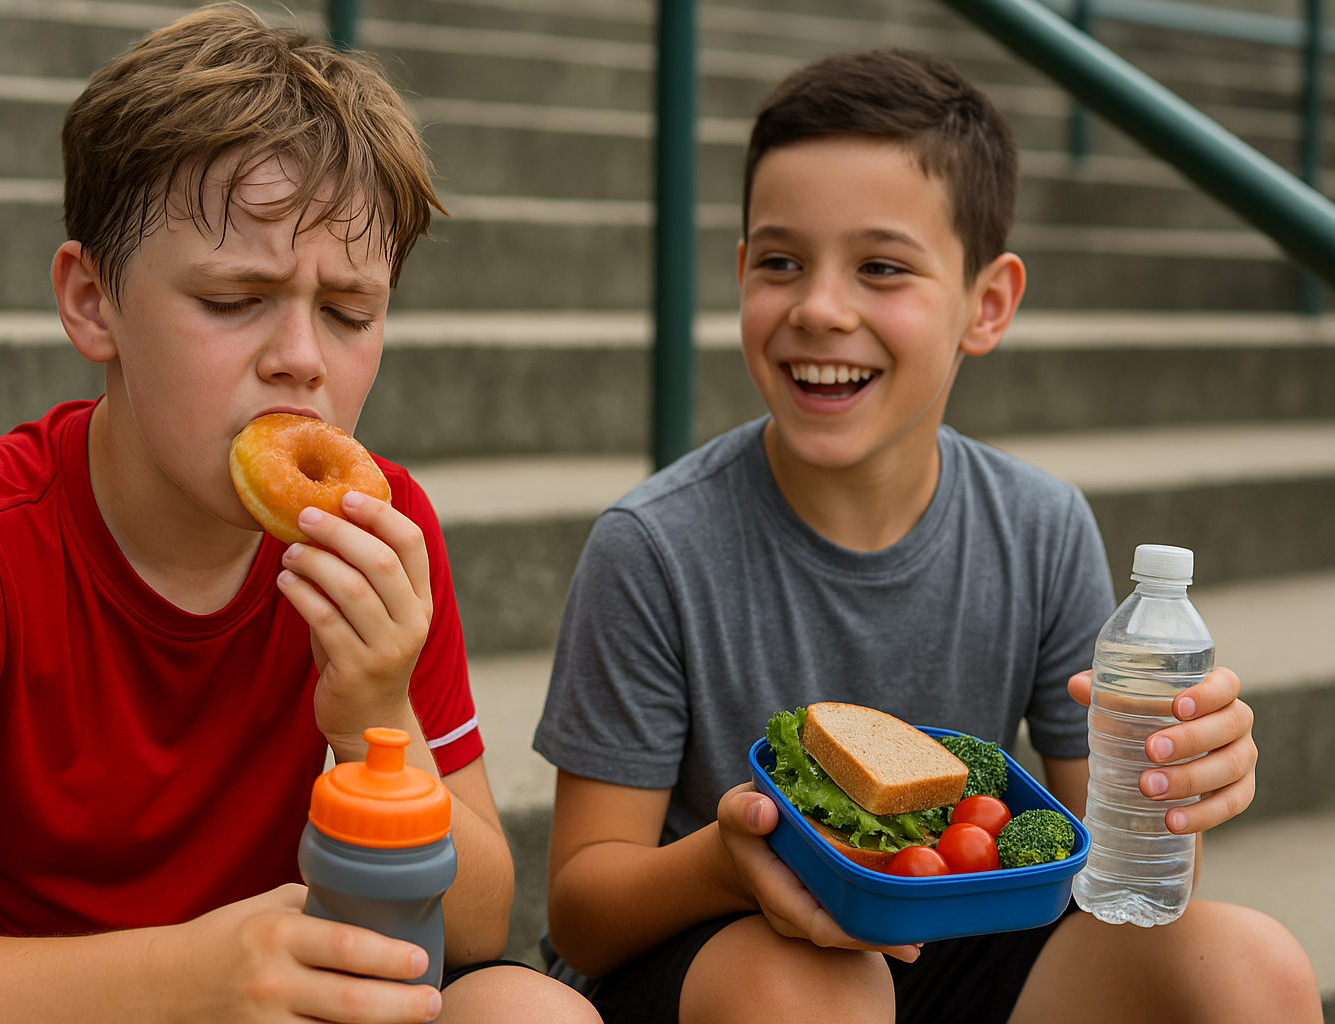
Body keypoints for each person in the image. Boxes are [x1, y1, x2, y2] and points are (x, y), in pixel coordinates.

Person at [0, 7, 598, 1022]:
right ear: (94, 302)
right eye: (234, 300)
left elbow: (480, 922)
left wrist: (377, 717)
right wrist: (183, 977)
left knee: (532, 1009)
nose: (301, 357)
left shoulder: (380, 537)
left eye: (349, 311)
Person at [532, 48, 1321, 1024]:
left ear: (986, 305)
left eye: (882, 267)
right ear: (740, 274)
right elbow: (582, 912)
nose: (820, 306)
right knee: (817, 986)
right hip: (720, 960)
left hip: (953, 947)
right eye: (780, 262)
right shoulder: (652, 546)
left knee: (1255, 966)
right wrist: (738, 861)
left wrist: (1169, 794)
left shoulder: (1040, 526)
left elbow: (1119, 876)